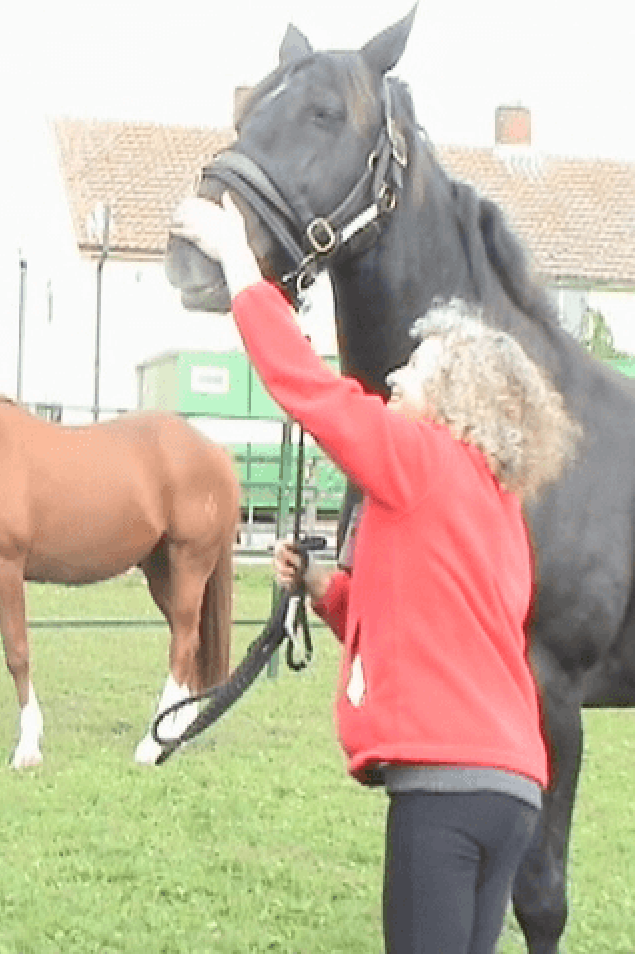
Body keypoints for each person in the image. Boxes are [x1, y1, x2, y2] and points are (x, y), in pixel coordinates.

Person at [172, 194, 579, 954]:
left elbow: (313, 393)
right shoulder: (499, 505)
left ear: (456, 404)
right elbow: (442, 622)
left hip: (445, 790)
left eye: (417, 369)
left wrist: (238, 266)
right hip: (514, 788)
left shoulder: (421, 458)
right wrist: (332, 593)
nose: (394, 374)